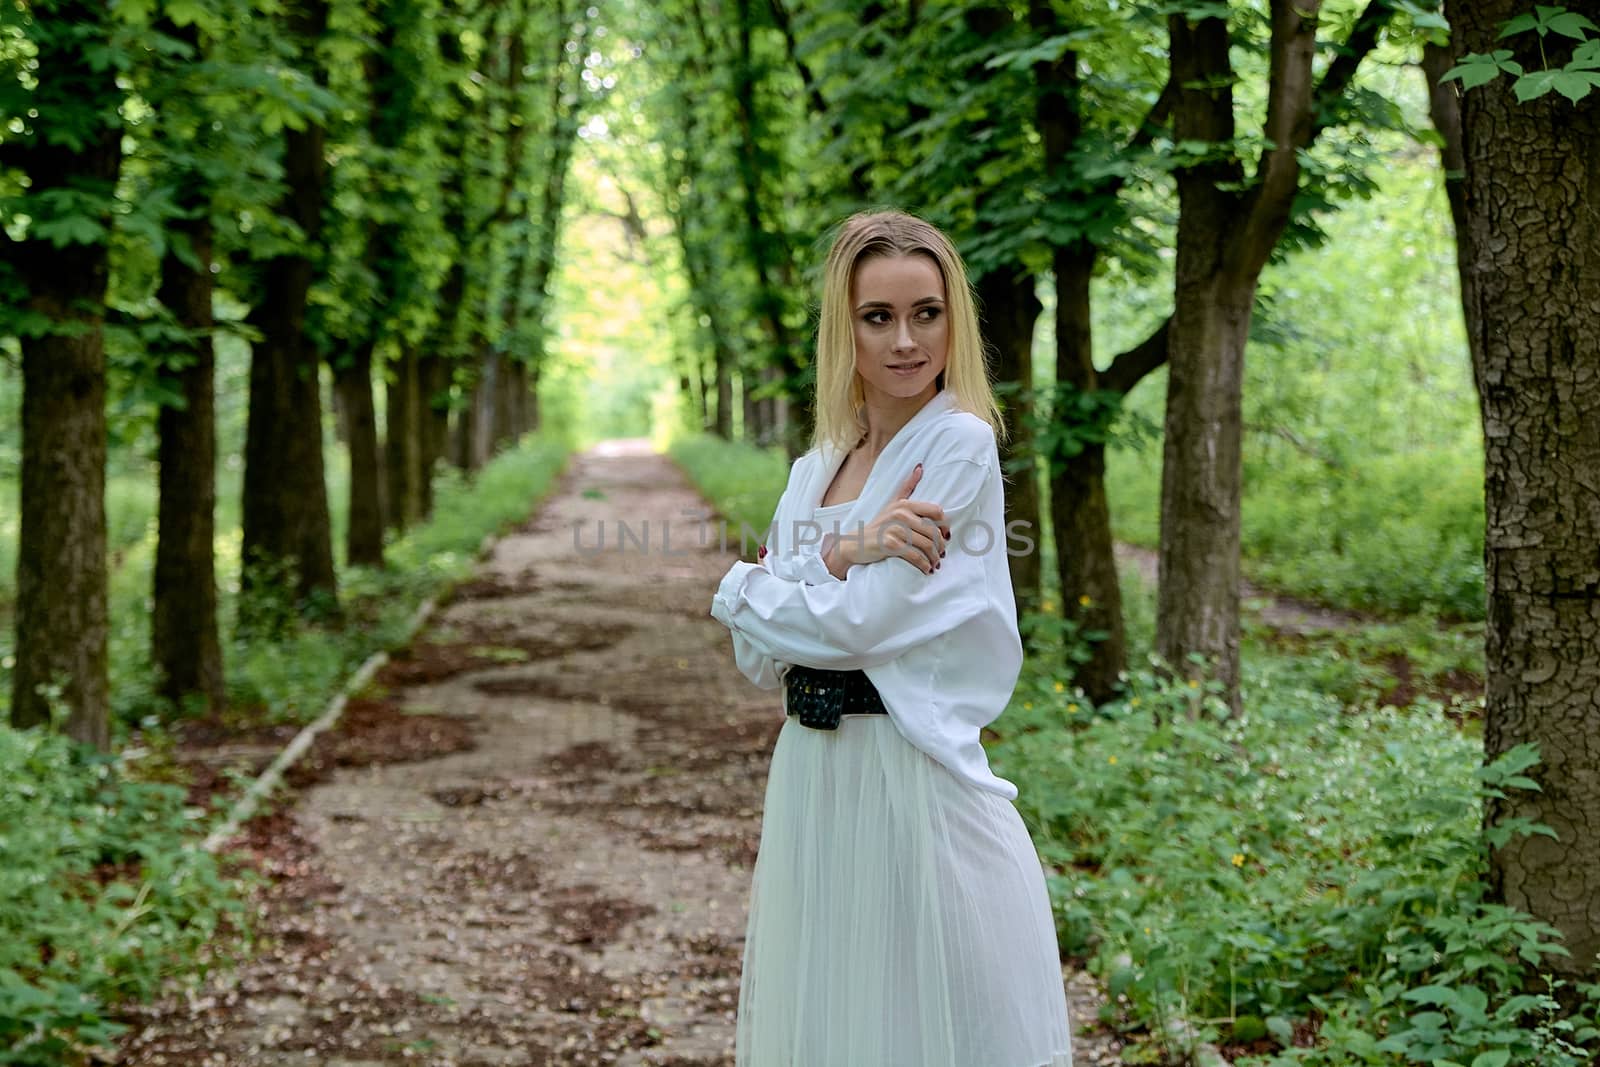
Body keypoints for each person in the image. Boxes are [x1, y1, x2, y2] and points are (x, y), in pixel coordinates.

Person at [708, 209, 1073, 1067]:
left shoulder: (957, 443)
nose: (906, 341)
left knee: (937, 1034)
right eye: (879, 317)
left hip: (914, 779)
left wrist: (739, 583)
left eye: (927, 313)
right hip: (816, 780)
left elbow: (862, 624)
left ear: (955, 322)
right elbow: (762, 659)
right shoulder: (814, 467)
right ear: (848, 326)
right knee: (839, 1032)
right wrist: (845, 548)